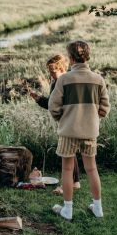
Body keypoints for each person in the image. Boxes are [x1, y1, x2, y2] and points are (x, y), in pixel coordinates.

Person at [49, 41, 110, 220]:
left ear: (71, 58)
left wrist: (63, 118)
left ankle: (67, 210)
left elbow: (53, 106)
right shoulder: (98, 79)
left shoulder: (64, 79)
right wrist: (92, 118)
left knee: (67, 170)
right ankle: (97, 208)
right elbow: (105, 108)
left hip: (68, 132)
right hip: (90, 132)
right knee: (92, 169)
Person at [29, 54, 81, 195]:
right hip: (63, 121)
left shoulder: (70, 81)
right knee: (69, 153)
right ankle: (75, 182)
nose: (51, 74)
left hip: (72, 121)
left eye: (53, 71)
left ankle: (66, 186)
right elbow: (52, 105)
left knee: (66, 152)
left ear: (63, 68)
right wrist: (39, 99)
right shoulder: (54, 83)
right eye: (49, 71)